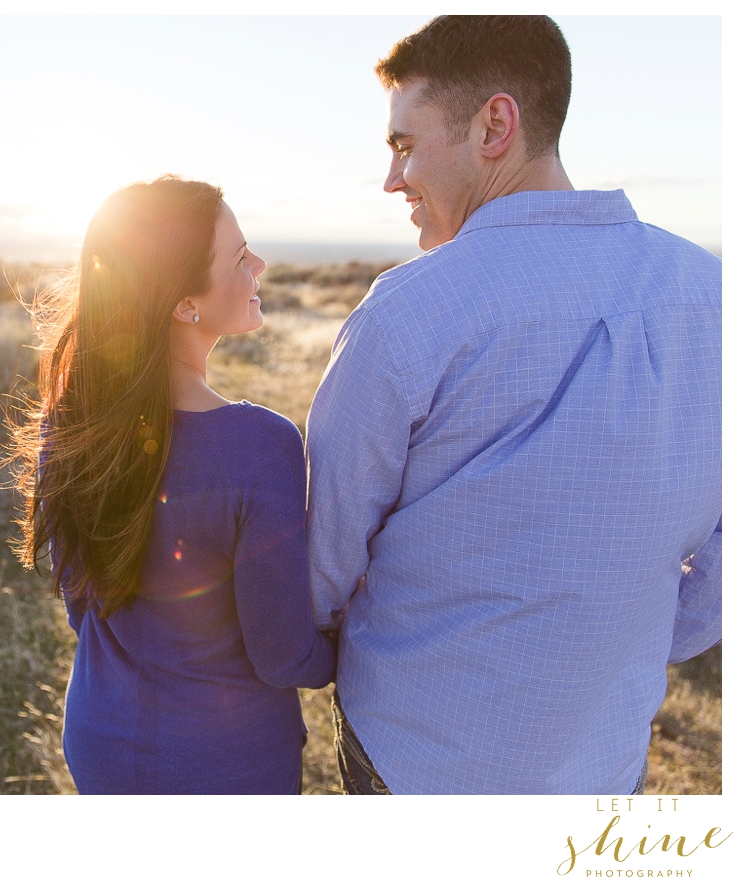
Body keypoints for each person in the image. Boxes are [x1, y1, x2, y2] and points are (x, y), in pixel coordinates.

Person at [306, 15, 721, 795]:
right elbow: (718, 573)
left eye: (403, 144)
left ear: (495, 124)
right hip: (605, 762)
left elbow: (323, 559)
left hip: (417, 763)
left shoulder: (404, 315)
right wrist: (625, 636)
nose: (393, 179)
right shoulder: (712, 297)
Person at [7, 176, 336, 794]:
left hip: (100, 739)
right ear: (184, 302)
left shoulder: (72, 420)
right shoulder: (259, 447)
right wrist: (356, 649)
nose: (260, 263)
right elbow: (283, 655)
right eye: (240, 256)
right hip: (224, 766)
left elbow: (82, 598)